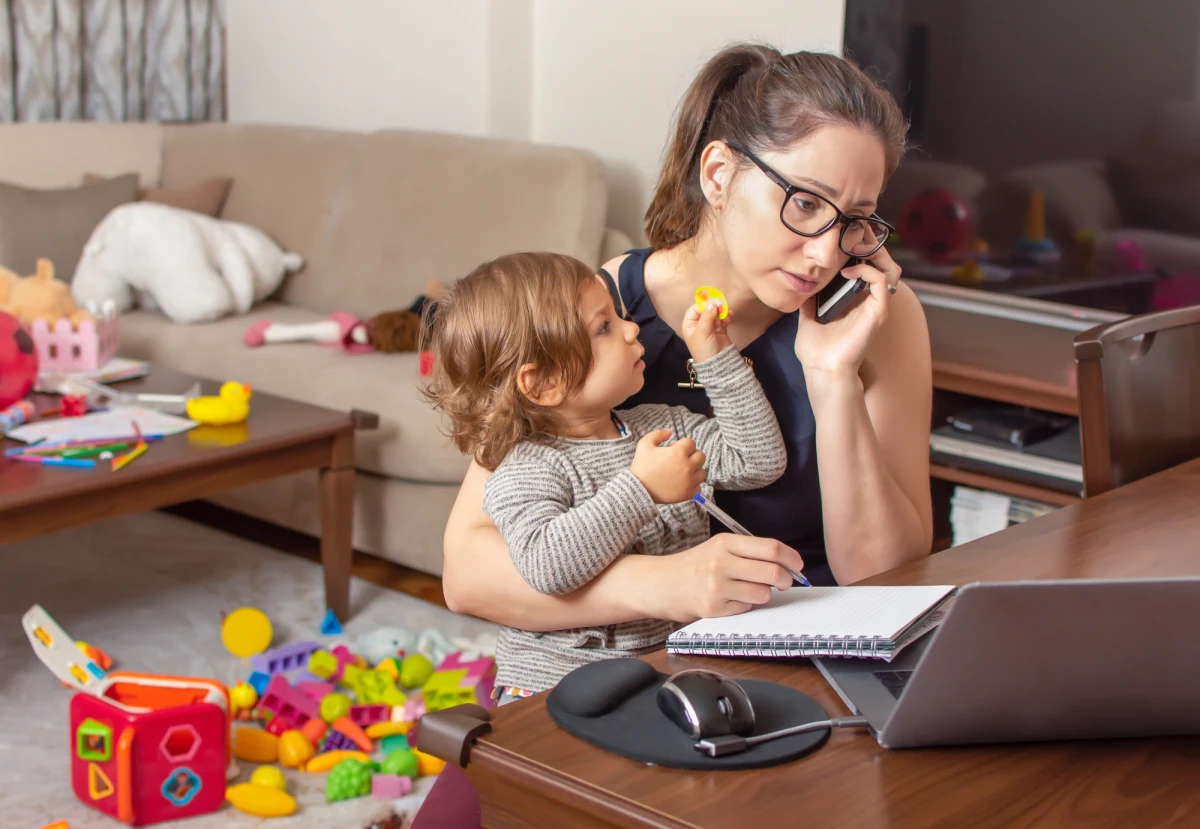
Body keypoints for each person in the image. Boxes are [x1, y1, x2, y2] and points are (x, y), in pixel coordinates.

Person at [411, 43, 932, 829]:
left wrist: (831, 377)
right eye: (805, 204)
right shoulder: (604, 312)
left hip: (799, 667)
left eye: (855, 220)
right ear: (719, 174)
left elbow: (886, 580)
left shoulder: (882, 321)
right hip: (599, 659)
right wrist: (667, 586)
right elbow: (470, 573)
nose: (827, 252)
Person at [422, 251, 786, 701]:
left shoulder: (663, 425)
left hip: (663, 673)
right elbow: (547, 567)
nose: (632, 329)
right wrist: (641, 489)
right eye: (605, 327)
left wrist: (716, 357)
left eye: (618, 316)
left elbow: (758, 460)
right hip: (554, 689)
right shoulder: (525, 466)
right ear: (543, 383)